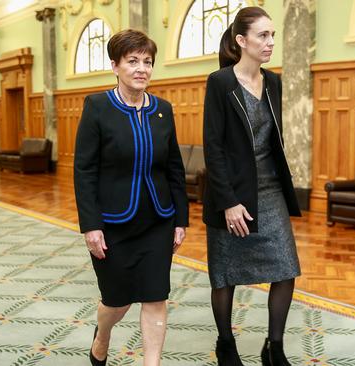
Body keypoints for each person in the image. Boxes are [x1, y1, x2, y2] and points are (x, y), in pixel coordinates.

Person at [73, 29, 189, 366]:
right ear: (115, 65)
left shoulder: (163, 109)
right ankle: (103, 335)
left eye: (148, 62)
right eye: (133, 61)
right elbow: (84, 171)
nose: (142, 68)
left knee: (155, 296)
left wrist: (180, 219)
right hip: (112, 224)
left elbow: (174, 169)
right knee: (117, 300)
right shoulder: (97, 107)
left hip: (157, 220)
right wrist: (91, 226)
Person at [202, 7, 302, 366]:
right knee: (225, 272)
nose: (270, 42)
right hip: (230, 191)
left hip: (271, 189)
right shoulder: (220, 82)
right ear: (241, 41)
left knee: (286, 268)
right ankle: (225, 344)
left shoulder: (273, 81)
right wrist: (228, 202)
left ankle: (273, 348)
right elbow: (212, 147)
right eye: (263, 35)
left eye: (273, 35)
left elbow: (273, 136)